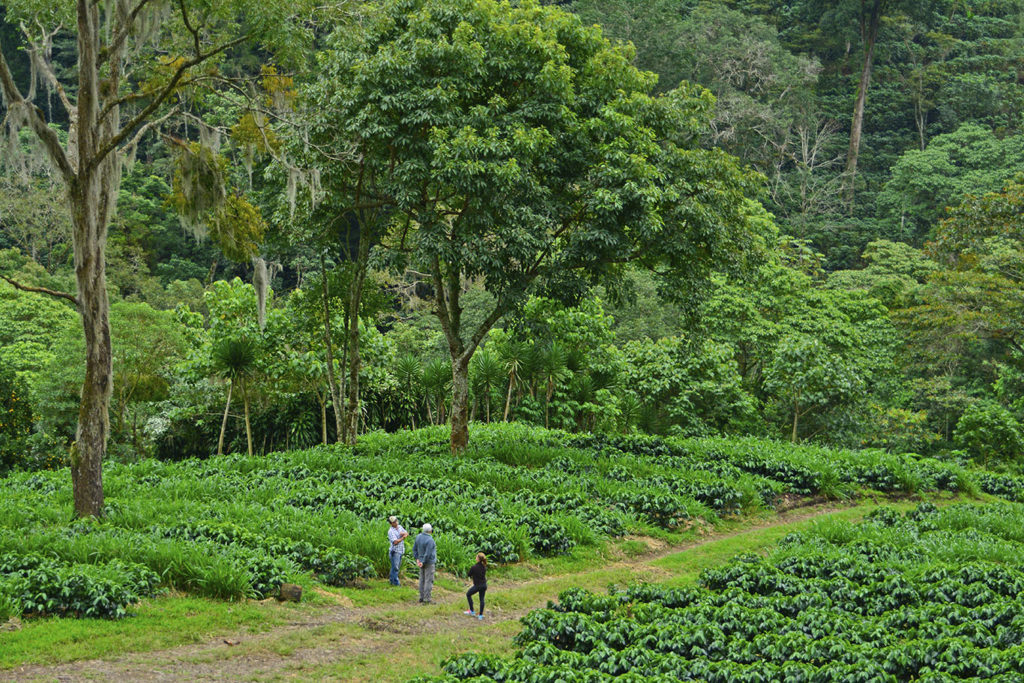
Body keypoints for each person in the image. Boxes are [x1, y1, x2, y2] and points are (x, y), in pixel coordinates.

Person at [413, 523, 437, 603]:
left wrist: (417, 559)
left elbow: (414, 549)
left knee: (422, 579)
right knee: (428, 580)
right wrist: (423, 562)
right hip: (428, 562)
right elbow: (428, 553)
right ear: (430, 530)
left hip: (420, 561)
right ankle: (427, 599)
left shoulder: (418, 537)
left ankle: (421, 597)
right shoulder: (430, 540)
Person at [464, 552, 487, 620]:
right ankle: (480, 615)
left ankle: (472, 611)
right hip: (484, 585)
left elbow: (468, 574)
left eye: (476, 557)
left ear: (478, 559)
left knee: (468, 594)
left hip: (477, 585)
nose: (475, 558)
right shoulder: (484, 567)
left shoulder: (474, 567)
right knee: (482, 599)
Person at [387, 516, 408, 586]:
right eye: (394, 522)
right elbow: (395, 542)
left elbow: (406, 533)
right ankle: (396, 583)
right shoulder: (390, 531)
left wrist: (403, 534)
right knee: (395, 568)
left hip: (400, 550)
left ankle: (392, 581)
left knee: (395, 567)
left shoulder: (400, 527)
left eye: (396, 521)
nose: (396, 523)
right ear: (391, 523)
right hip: (394, 551)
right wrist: (402, 537)